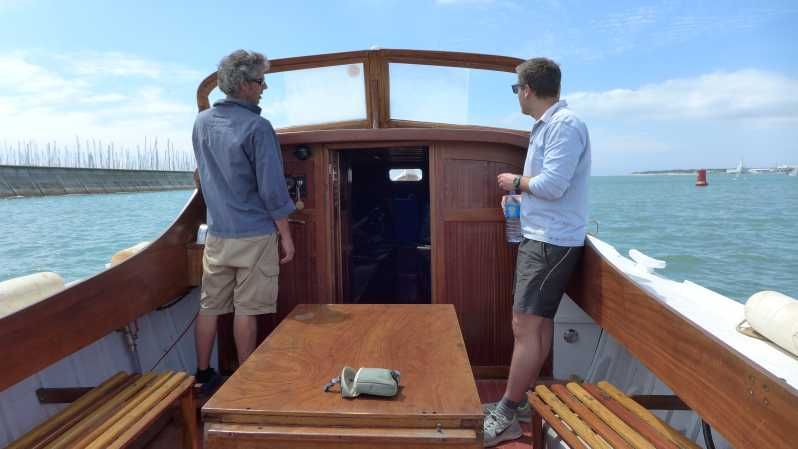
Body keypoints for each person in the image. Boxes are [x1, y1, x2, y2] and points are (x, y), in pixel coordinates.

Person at [484, 57, 591, 447]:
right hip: (543, 236)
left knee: (524, 327)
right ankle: (523, 402)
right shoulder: (547, 126)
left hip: (551, 242)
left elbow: (553, 186)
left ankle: (507, 413)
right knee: (539, 325)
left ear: (527, 89)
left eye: (517, 89)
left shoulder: (564, 126)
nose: (517, 95)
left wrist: (515, 180)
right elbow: (545, 187)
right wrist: (519, 196)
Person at [192, 50, 296, 387]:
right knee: (246, 309)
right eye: (260, 81)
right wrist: (287, 235)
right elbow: (272, 190)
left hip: (218, 235)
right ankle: (244, 381)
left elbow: (203, 176)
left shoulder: (201, 123)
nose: (264, 87)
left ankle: (203, 374)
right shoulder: (258, 127)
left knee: (210, 307)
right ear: (243, 85)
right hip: (253, 235)